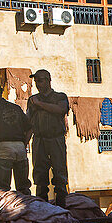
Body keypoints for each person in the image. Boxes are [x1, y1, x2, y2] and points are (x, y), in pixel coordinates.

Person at [26, 69, 70, 207]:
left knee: (60, 174)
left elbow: (61, 110)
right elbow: (29, 122)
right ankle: (43, 208)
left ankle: (62, 207)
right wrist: (24, 142)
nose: (37, 84)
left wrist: (40, 105)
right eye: (36, 81)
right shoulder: (32, 100)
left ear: (48, 80)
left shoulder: (59, 97)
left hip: (56, 139)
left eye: (40, 80)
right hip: (40, 140)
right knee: (40, 176)